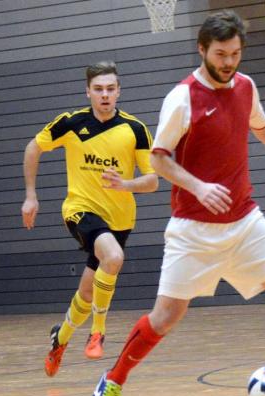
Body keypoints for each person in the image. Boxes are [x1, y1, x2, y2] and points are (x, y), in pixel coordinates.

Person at [89, 10, 265, 396]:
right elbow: (160, 160)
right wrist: (199, 186)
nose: (228, 62)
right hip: (193, 230)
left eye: (235, 53)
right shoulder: (181, 97)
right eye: (220, 54)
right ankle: (112, 380)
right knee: (165, 317)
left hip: (244, 220)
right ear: (202, 49)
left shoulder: (246, 86)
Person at [22, 61, 159, 376]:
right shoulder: (71, 123)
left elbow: (152, 181)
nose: (105, 95)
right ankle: (98, 332)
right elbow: (33, 147)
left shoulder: (135, 129)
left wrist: (126, 184)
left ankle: (60, 339)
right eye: (98, 89)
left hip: (120, 220)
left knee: (87, 293)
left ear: (119, 91)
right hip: (80, 210)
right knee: (113, 256)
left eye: (110, 89)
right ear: (88, 92)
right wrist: (31, 195)